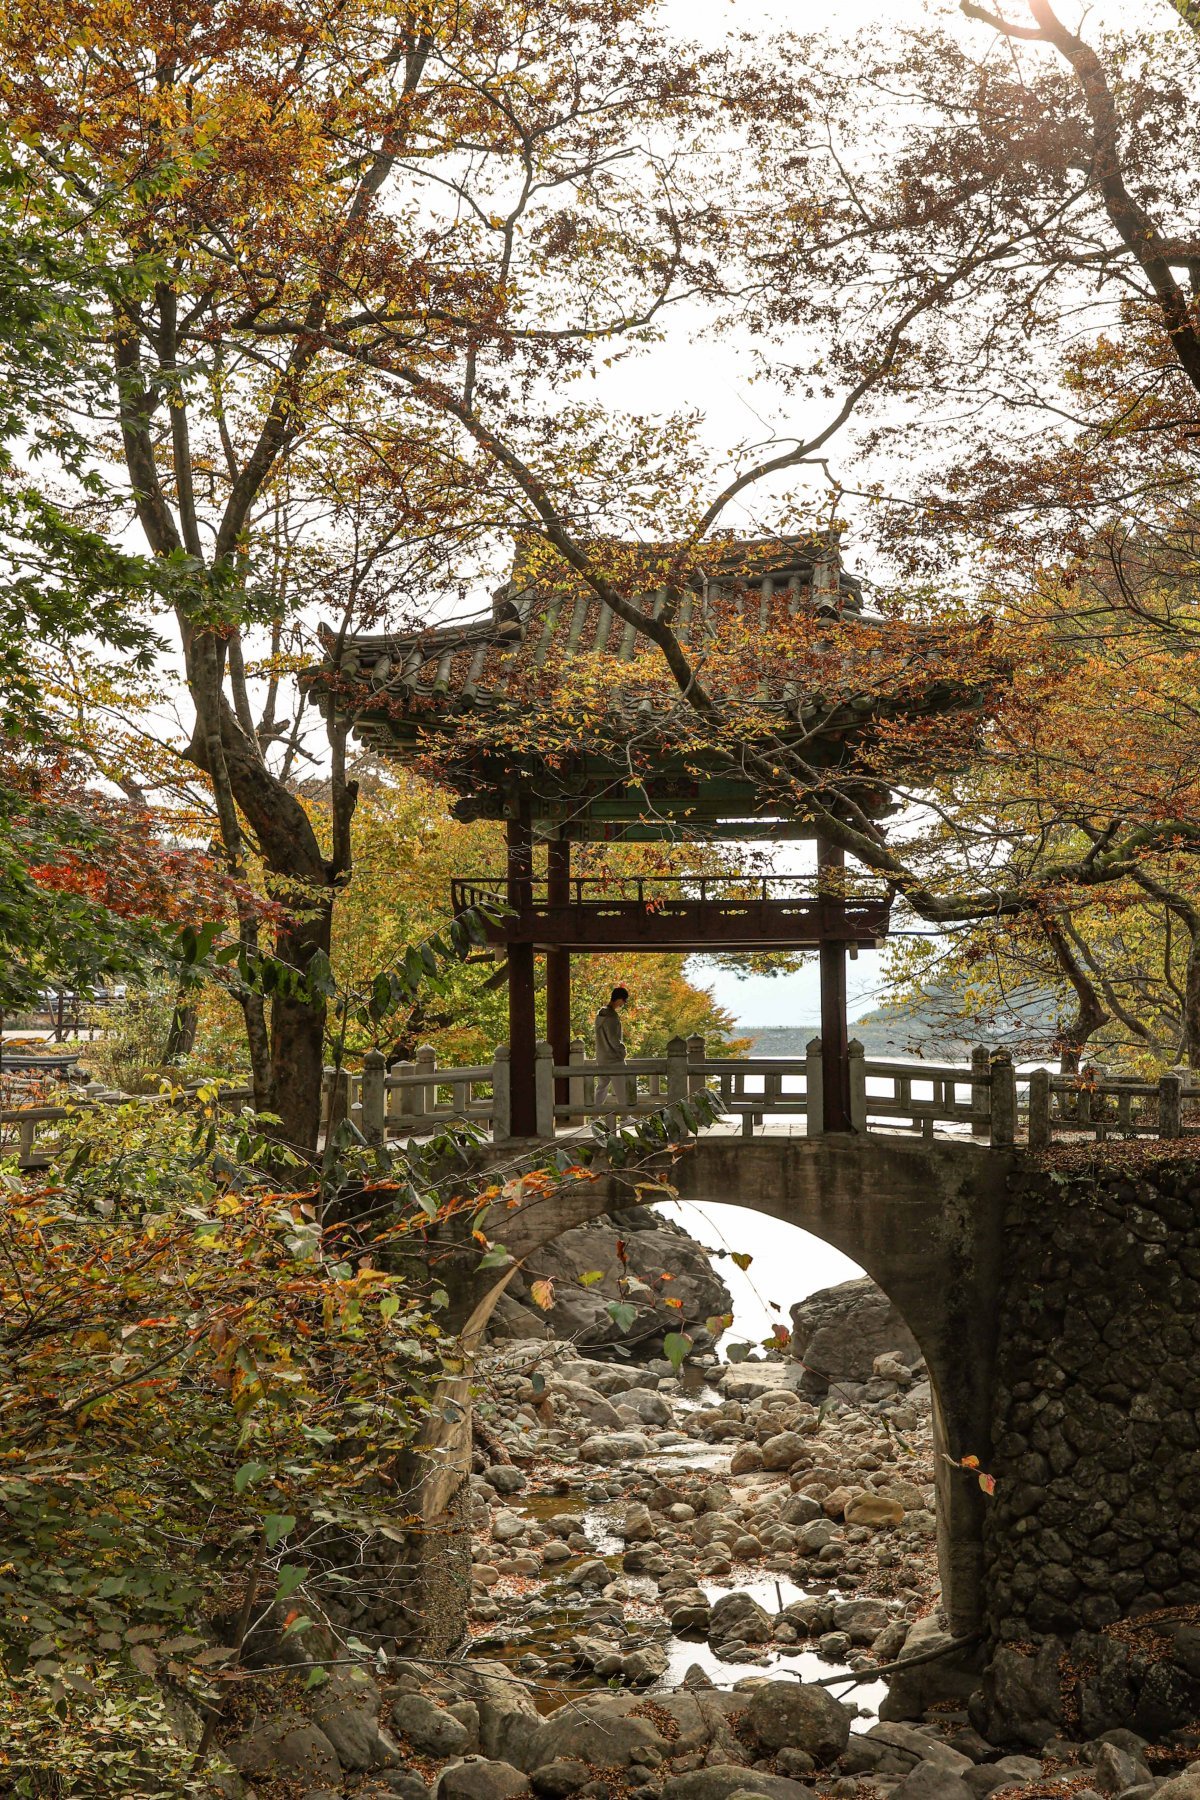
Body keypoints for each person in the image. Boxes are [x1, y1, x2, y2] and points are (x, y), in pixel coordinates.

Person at [594, 985, 630, 1115]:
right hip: (614, 1059)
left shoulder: (600, 1015)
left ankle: (594, 1117)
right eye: (624, 1001)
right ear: (619, 999)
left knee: (601, 1088)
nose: (623, 1004)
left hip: (602, 1057)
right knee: (622, 1089)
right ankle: (625, 1118)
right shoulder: (612, 1017)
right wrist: (622, 1051)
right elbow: (614, 1039)